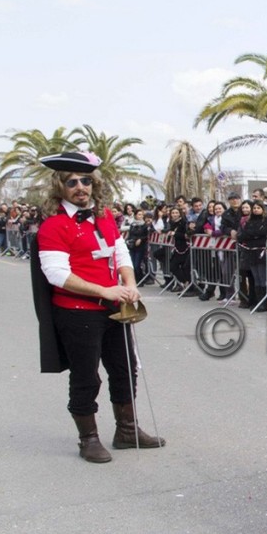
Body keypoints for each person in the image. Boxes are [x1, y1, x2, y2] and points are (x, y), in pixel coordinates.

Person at [32, 151, 165, 463]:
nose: (81, 186)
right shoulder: (53, 226)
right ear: (59, 187)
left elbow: (121, 255)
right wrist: (105, 290)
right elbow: (57, 274)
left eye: (86, 181)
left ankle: (127, 430)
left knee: (124, 369)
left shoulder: (105, 217)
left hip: (114, 308)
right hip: (77, 313)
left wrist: (129, 284)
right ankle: (88, 438)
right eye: (72, 182)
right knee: (86, 376)